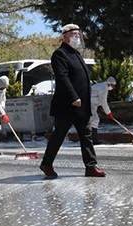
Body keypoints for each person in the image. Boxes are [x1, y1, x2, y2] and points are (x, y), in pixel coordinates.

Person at [39, 24, 106, 179]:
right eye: (74, 34)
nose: (77, 37)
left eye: (78, 34)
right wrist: (73, 96)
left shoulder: (76, 54)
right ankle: (46, 164)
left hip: (81, 105)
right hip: (67, 105)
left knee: (86, 135)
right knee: (59, 136)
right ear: (66, 36)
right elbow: (62, 78)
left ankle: (91, 166)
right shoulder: (59, 54)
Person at [89, 76, 117, 144]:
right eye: (113, 86)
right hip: (90, 104)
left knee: (90, 121)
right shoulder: (104, 88)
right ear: (109, 84)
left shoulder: (100, 85)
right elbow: (103, 101)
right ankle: (94, 140)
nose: (112, 88)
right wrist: (109, 113)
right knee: (95, 120)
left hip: (91, 104)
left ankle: (90, 139)